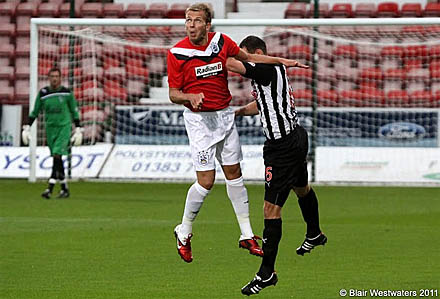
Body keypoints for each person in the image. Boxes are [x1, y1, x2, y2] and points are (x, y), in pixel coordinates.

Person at [167, 3, 304, 263]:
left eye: (196, 20)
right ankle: (184, 231)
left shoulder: (222, 42)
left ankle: (246, 235)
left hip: (224, 116)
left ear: (208, 25)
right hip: (199, 122)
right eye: (188, 20)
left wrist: (280, 61)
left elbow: (250, 59)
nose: (191, 25)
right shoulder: (176, 53)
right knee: (206, 182)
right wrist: (190, 95)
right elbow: (173, 94)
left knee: (235, 175)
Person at [226, 36, 327, 296]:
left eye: (245, 54)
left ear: (258, 53)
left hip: (282, 146)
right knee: (301, 188)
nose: (243, 58)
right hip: (294, 137)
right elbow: (261, 105)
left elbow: (233, 65)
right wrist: (236, 113)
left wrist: (211, 53)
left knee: (270, 209)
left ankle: (266, 272)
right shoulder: (270, 73)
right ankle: (314, 233)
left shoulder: (268, 68)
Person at [22, 67, 82, 199]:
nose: (55, 79)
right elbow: (35, 111)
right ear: (49, 78)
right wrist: (27, 126)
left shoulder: (66, 93)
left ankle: (49, 187)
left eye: (57, 76)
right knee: (57, 157)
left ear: (60, 78)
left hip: (64, 127)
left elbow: (74, 110)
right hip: (50, 128)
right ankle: (64, 188)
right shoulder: (43, 93)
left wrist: (78, 128)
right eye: (52, 76)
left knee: (57, 154)